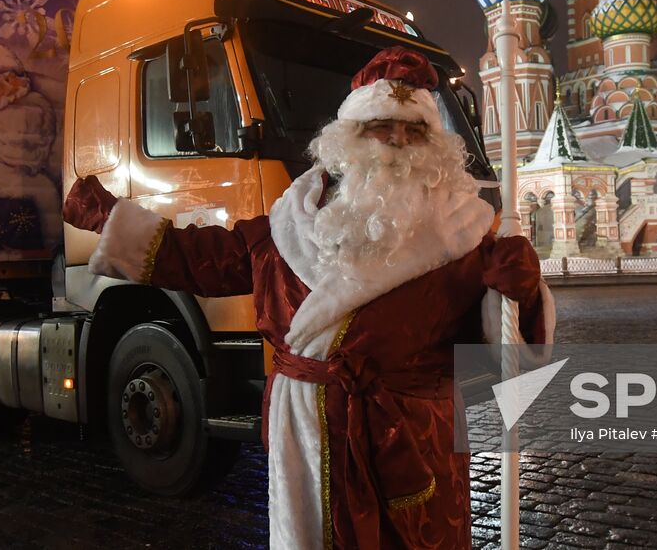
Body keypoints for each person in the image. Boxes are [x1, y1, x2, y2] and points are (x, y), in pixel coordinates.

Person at [63, 46, 553, 550]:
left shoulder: (467, 235)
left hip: (409, 440)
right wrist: (111, 220)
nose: (399, 143)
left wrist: (520, 290)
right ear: (351, 138)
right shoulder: (288, 223)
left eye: (415, 131)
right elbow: (207, 259)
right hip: (306, 432)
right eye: (382, 127)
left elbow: (512, 357)